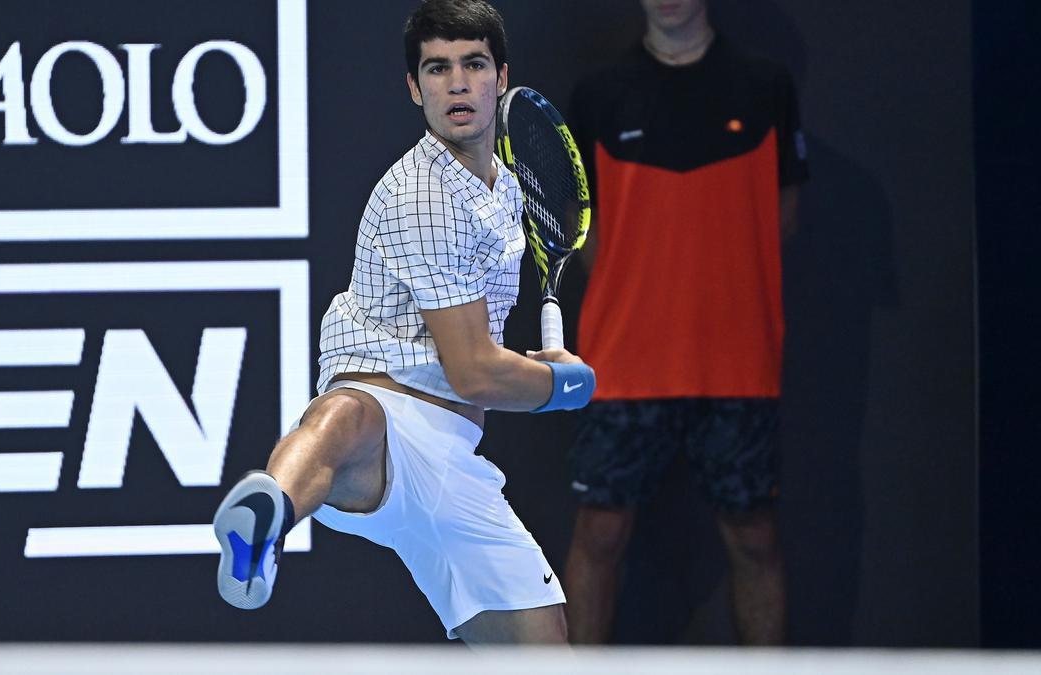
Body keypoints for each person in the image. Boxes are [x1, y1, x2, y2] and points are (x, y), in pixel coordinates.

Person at [211, 0, 595, 646]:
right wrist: (561, 386)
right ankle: (266, 519)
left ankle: (272, 514)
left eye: (473, 64)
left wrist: (535, 370)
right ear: (415, 89)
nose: (457, 83)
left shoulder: (500, 187)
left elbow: (480, 368)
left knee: (544, 646)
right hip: (387, 425)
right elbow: (473, 370)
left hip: (453, 460)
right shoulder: (422, 195)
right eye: (437, 69)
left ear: (501, 77)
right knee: (341, 419)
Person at [561, 0, 809, 645]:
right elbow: (581, 230)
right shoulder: (597, 95)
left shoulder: (766, 86)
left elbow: (782, 215)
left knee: (755, 540)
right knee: (599, 534)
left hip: (738, 362)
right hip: (623, 361)